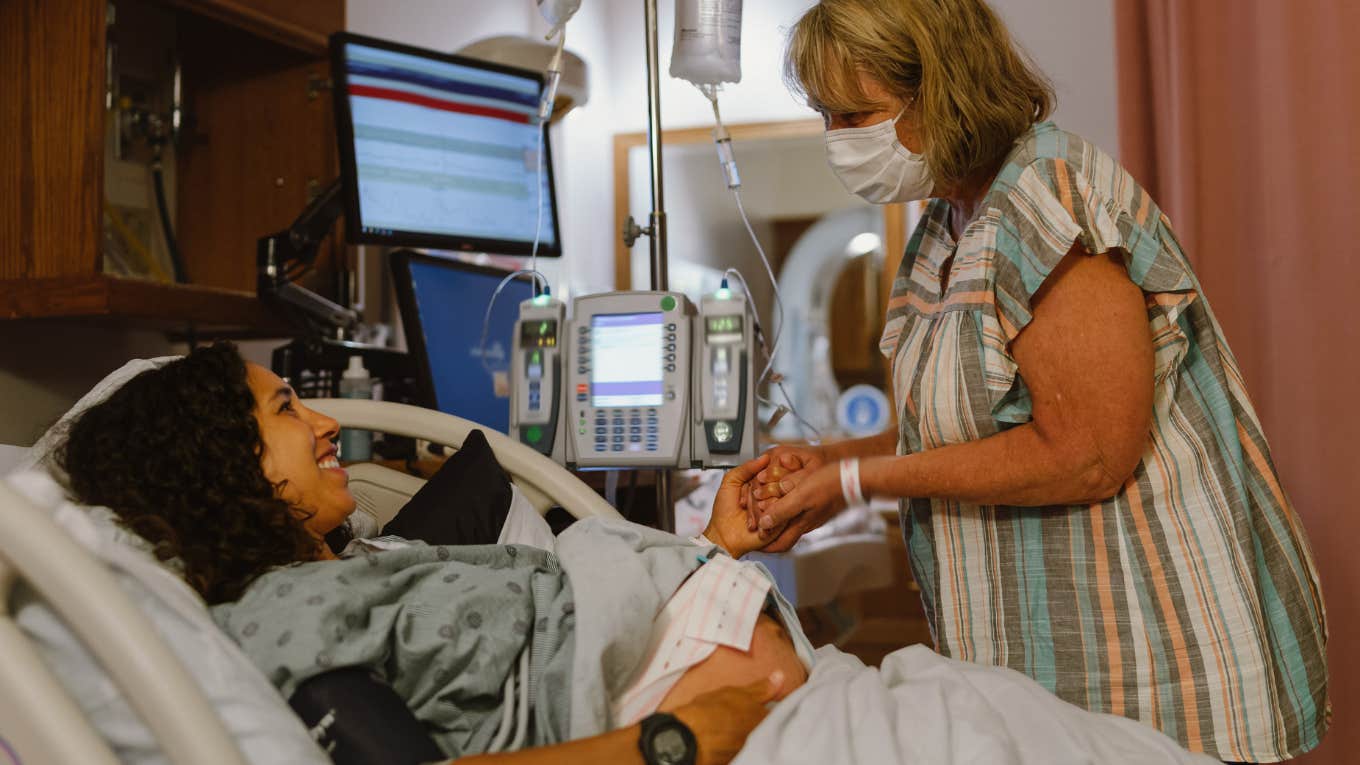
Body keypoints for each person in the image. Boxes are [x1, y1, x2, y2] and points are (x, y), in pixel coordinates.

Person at [744, 0, 1328, 761]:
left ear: (945, 89)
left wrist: (856, 482)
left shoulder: (1048, 196)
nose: (838, 141)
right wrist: (827, 463)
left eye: (856, 115)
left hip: (1152, 650)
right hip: (1048, 656)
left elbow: (1088, 450)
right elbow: (968, 426)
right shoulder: (947, 227)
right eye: (826, 117)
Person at [58, 342, 807, 765]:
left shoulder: (369, 561)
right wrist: (671, 743)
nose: (325, 423)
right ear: (221, 462)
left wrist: (712, 547)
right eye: (287, 407)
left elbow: (551, 609)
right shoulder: (273, 618)